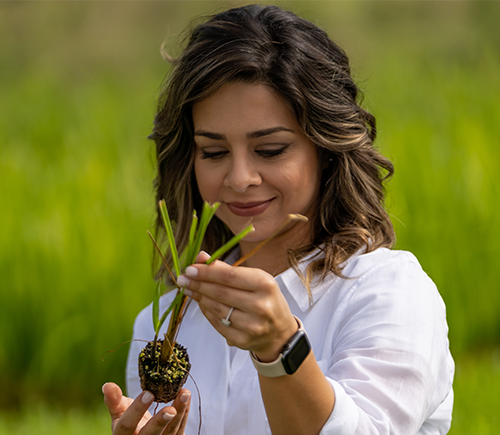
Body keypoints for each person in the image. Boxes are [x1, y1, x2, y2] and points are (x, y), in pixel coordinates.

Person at [103, 4, 454, 435]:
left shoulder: (388, 293)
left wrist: (281, 349)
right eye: (213, 152)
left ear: (326, 148)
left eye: (270, 150)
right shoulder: (165, 326)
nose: (240, 178)